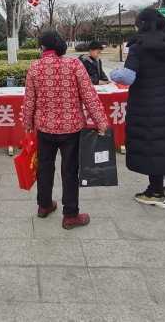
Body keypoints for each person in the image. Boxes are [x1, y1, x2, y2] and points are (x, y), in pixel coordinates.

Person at [23, 31, 108, 229]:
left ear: (42, 47)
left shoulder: (34, 68)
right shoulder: (73, 65)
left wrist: (27, 125)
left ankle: (44, 205)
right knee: (69, 170)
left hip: (44, 128)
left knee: (45, 167)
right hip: (71, 129)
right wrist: (101, 123)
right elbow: (89, 96)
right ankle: (70, 215)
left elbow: (29, 101)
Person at [111, 8, 165, 209]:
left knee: (152, 146)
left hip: (145, 105)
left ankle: (155, 192)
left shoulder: (138, 46)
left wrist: (114, 73)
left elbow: (128, 77)